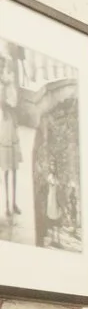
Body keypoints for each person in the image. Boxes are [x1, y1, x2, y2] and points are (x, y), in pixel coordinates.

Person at [0, 52, 20, 223]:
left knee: (13, 167)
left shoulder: (8, 82)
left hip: (10, 124)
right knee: (5, 168)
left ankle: (13, 203)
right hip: (1, 125)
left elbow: (14, 101)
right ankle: (6, 204)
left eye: (2, 64)